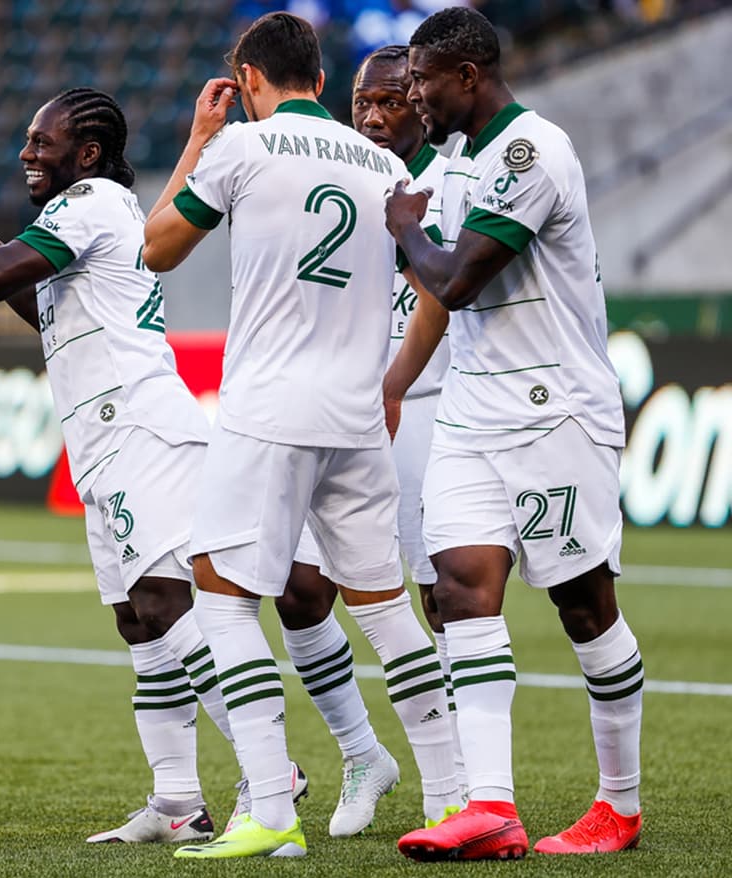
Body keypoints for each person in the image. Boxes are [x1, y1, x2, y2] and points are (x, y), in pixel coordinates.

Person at [0, 87, 308, 845]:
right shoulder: (91, 210)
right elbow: (32, 303)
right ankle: (178, 802)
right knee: (138, 622)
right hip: (104, 438)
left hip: (140, 430)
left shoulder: (87, 202)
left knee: (165, 605)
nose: (28, 151)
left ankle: (272, 770)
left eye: (41, 140)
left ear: (86, 154)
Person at [142, 12, 417, 859]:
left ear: (250, 82)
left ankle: (270, 807)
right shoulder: (387, 163)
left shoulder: (242, 149)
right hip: (362, 411)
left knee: (221, 596)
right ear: (326, 84)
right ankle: (453, 797)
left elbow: (155, 249)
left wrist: (198, 139)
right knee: (388, 610)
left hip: (266, 410)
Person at [387, 7, 642, 861]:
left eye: (422, 78)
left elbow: (454, 280)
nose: (414, 94)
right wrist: (394, 385)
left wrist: (405, 230)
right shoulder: (459, 161)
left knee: (583, 605)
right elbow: (443, 300)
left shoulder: (533, 152)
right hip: (472, 408)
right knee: (459, 588)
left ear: (468, 73)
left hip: (555, 411)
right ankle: (490, 807)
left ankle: (620, 804)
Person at [279, 42, 465, 838]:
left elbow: (448, 291)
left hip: (424, 408)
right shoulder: (342, 176)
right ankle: (363, 753)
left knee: (443, 599)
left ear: (422, 102)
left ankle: (463, 781)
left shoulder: (445, 188)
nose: (374, 115)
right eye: (363, 101)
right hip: (342, 417)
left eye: (392, 100)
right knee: (296, 589)